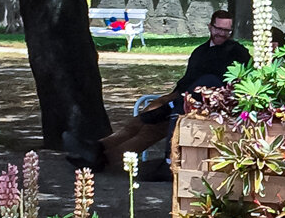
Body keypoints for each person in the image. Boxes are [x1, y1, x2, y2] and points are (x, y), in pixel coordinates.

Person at [100, 9, 251, 170]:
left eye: (226, 30)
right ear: (210, 27)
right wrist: (172, 97)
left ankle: (105, 159)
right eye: (218, 29)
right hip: (179, 95)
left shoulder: (237, 52)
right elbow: (187, 80)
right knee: (146, 114)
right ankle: (100, 146)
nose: (221, 33)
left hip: (201, 105)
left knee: (150, 130)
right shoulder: (200, 51)